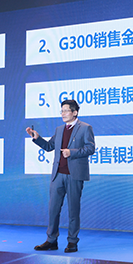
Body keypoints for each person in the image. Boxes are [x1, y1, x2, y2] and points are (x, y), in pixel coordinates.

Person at [26, 99, 95, 253]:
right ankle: (51, 240)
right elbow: (49, 146)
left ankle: (72, 242)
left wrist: (72, 152)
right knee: (53, 209)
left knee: (73, 210)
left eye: (66, 110)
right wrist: (37, 138)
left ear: (75, 112)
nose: (63, 114)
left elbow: (91, 148)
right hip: (58, 175)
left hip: (74, 175)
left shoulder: (85, 128)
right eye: (61, 111)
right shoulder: (59, 129)